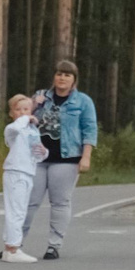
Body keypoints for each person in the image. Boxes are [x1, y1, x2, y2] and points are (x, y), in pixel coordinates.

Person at [22, 59, 97, 259]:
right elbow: (22, 118)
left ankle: (54, 245)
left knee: (60, 202)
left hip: (67, 157)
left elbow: (90, 129)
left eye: (67, 75)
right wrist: (32, 105)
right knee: (29, 201)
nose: (62, 78)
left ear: (74, 80)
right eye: (59, 74)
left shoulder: (83, 101)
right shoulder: (40, 97)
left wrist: (86, 156)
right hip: (37, 157)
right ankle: (15, 243)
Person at [0, 94, 43, 264]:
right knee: (15, 211)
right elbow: (15, 129)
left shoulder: (31, 130)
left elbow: (35, 152)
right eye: (18, 110)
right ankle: (13, 248)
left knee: (21, 211)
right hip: (15, 172)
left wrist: (42, 153)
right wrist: (27, 118)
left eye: (26, 109)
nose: (23, 113)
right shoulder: (12, 129)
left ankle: (9, 247)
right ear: (12, 113)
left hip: (28, 171)